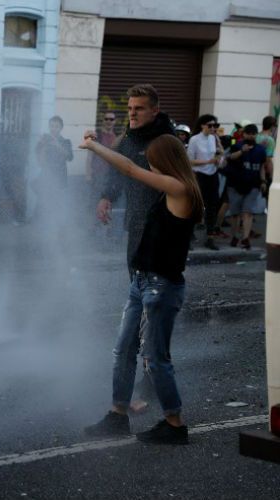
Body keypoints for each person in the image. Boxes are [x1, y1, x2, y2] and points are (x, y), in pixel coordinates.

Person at [81, 133, 203, 444]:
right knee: (123, 350)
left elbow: (130, 170)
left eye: (152, 157)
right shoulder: (169, 190)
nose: (147, 162)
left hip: (160, 287)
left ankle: (174, 425)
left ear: (165, 159)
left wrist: (96, 147)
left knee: (154, 357)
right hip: (142, 282)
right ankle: (117, 415)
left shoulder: (181, 189)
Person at [97, 84, 175, 270]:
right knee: (135, 270)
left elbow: (176, 184)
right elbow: (117, 168)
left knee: (156, 279)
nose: (132, 113)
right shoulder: (130, 135)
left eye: (139, 108)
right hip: (136, 217)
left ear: (154, 110)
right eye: (130, 108)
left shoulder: (166, 140)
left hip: (162, 221)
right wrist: (107, 196)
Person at [225, 123, 267, 250]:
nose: (251, 135)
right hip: (235, 184)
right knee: (235, 214)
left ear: (256, 134)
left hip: (253, 185)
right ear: (244, 134)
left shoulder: (260, 150)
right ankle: (234, 236)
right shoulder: (236, 146)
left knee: (248, 212)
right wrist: (241, 151)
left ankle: (245, 238)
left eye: (253, 133)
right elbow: (230, 158)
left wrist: (263, 181)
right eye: (248, 133)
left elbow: (262, 167)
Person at [187, 114, 223, 250]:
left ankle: (210, 237)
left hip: (213, 174)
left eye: (215, 125)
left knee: (212, 207)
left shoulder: (214, 138)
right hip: (199, 175)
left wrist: (218, 157)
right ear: (203, 125)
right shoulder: (195, 140)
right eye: (210, 125)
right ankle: (189, 235)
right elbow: (189, 160)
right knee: (196, 206)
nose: (213, 128)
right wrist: (208, 161)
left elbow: (221, 155)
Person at [87, 111, 118, 205]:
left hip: (110, 177)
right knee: (94, 203)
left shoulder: (116, 138)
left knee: (107, 204)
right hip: (97, 177)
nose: (109, 121)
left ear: (115, 121)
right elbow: (89, 156)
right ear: (103, 121)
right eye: (106, 119)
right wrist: (88, 175)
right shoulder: (96, 136)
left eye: (111, 119)